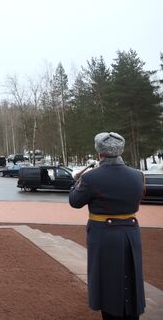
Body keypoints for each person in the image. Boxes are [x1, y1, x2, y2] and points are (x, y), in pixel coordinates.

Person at [69, 132, 145, 320]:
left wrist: (76, 182)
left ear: (99, 153)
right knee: (132, 278)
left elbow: (75, 201)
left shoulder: (91, 178)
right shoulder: (138, 175)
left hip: (105, 235)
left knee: (108, 284)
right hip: (131, 232)